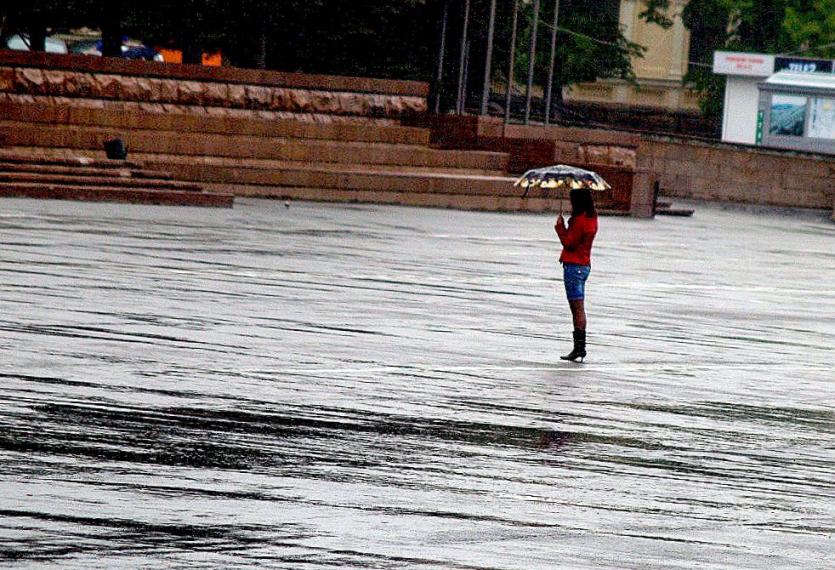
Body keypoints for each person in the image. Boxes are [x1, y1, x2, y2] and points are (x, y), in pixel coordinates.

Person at [554, 188, 598, 362]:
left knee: (577, 308)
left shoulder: (579, 221)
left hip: (574, 266)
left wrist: (560, 228)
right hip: (585, 265)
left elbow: (569, 243)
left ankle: (579, 348)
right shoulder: (592, 218)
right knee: (579, 307)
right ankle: (579, 347)